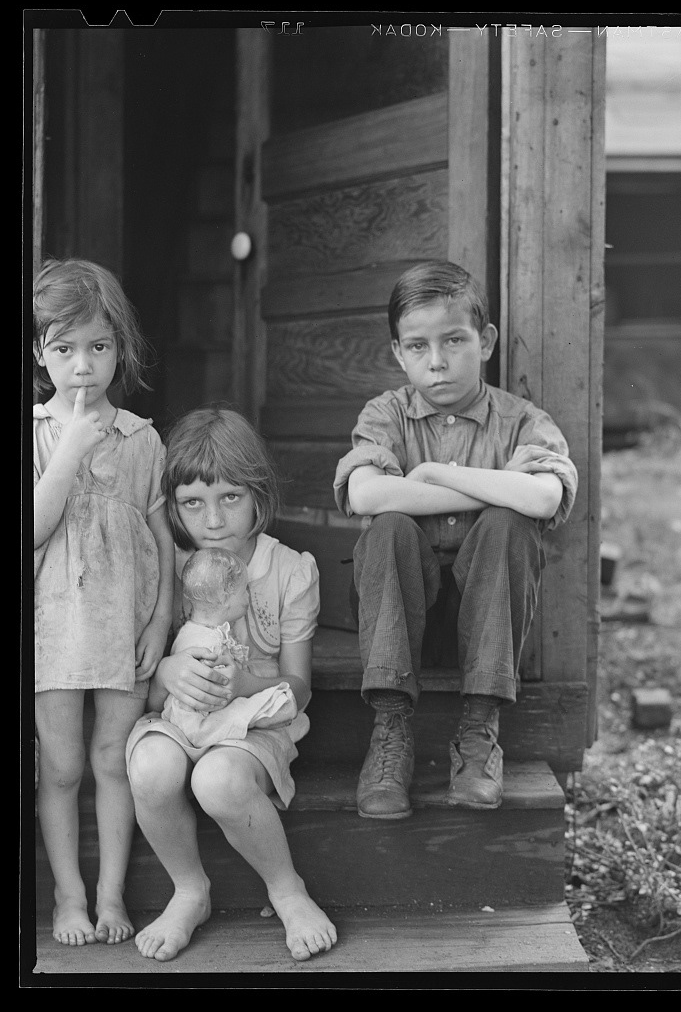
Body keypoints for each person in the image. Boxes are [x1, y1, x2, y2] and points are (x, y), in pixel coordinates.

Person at [333, 259, 579, 820]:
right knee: (390, 528)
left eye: (454, 340)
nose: (437, 361)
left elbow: (542, 501)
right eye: (417, 347)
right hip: (398, 625)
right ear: (398, 353)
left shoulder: (522, 422)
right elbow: (369, 496)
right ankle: (391, 730)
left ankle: (478, 732)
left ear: (486, 340)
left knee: (511, 524)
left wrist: (432, 476)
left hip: (487, 627)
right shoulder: (386, 415)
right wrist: (498, 485)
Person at [125, 405, 337, 963]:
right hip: (179, 717)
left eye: (230, 498)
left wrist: (244, 682)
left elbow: (299, 688)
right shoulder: (168, 564)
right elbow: (146, 677)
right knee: (150, 769)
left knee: (217, 781)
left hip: (251, 726)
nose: (213, 520)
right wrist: (169, 670)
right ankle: (189, 890)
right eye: (193, 503)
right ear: (173, 507)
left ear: (258, 494)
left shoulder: (290, 571)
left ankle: (287, 889)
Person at [33, 258, 174, 946]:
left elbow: (160, 537)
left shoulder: (142, 438)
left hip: (124, 622)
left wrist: (161, 618)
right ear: (40, 353)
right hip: (51, 628)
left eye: (99, 346)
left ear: (121, 347)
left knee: (112, 758)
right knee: (60, 765)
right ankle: (68, 897)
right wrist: (70, 450)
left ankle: (113, 895)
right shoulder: (36, 434)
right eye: (64, 349)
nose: (83, 365)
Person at [162, 547, 298, 748]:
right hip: (198, 720)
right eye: (244, 590)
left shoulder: (194, 631)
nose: (248, 596)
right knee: (277, 703)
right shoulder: (210, 645)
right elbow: (217, 691)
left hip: (199, 712)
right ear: (225, 598)